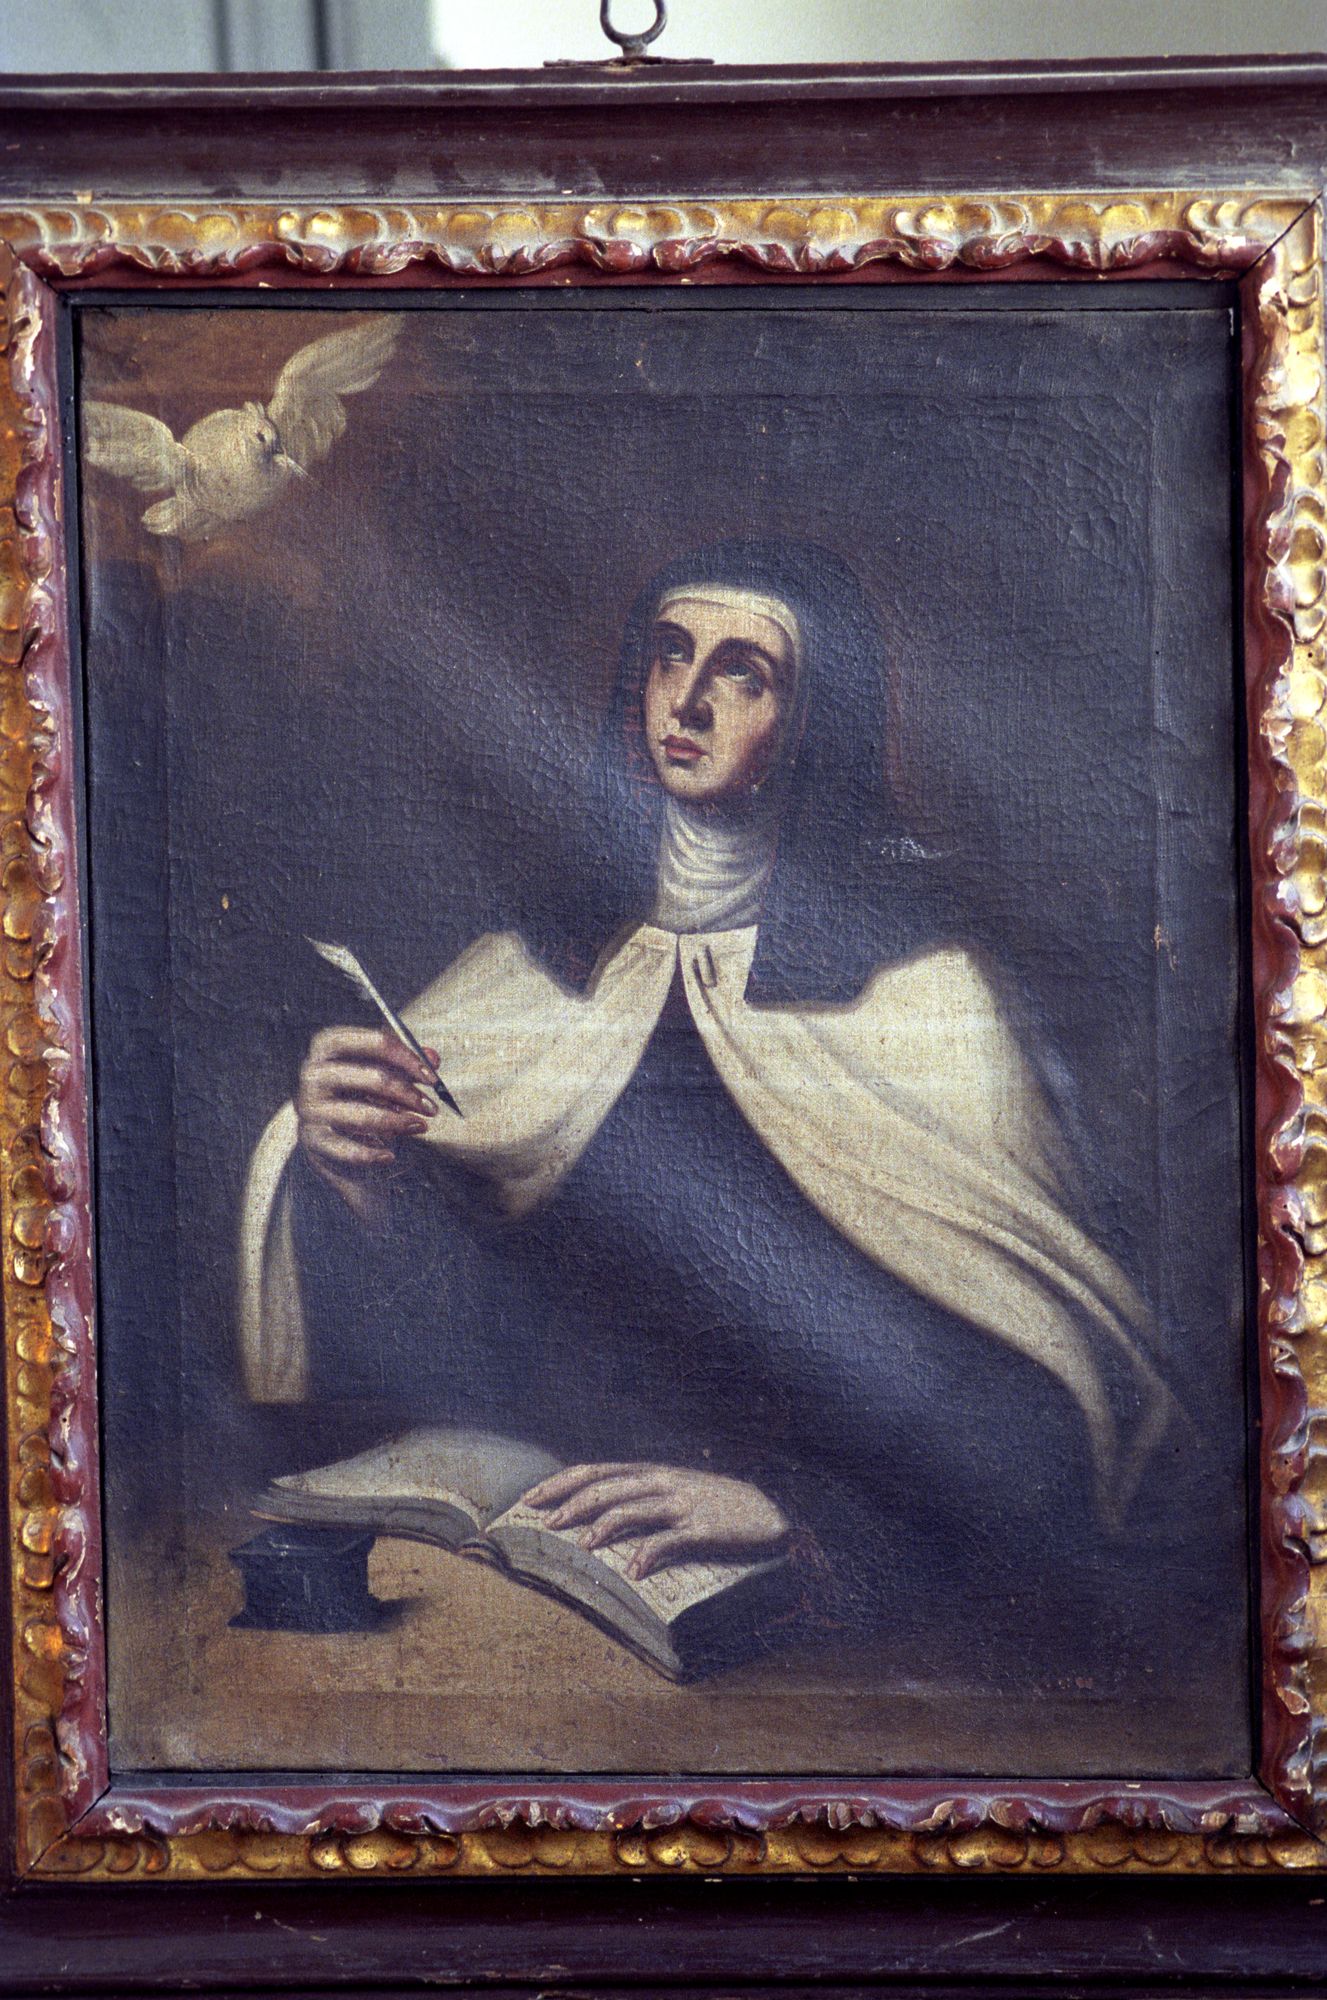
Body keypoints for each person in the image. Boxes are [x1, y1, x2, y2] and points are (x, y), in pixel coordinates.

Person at [240, 540, 1175, 1651]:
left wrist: (790, 1505)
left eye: (744, 673)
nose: (686, 701)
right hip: (531, 1561)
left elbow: (1044, 1393)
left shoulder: (926, 1001)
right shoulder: (529, 979)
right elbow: (468, 1329)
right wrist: (350, 1171)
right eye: (670, 654)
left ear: (814, 721)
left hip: (821, 1604)